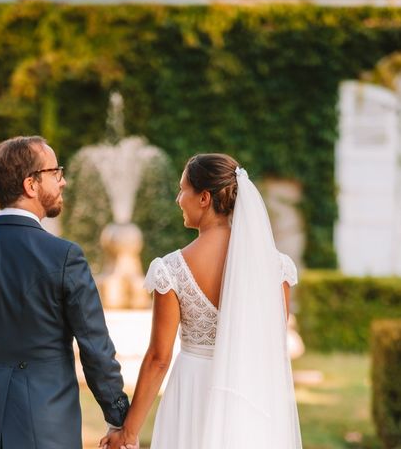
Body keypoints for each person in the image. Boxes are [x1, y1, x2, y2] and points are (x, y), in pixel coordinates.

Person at [0, 136, 129, 449]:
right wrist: (118, 418)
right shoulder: (64, 256)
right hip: (48, 422)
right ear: (31, 184)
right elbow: (95, 347)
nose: (64, 181)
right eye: (55, 172)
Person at [101, 153, 302, 449]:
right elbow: (273, 350)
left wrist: (129, 431)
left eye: (183, 189)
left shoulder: (172, 269)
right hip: (250, 396)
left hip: (193, 390)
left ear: (204, 198)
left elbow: (159, 358)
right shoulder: (277, 269)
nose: (178, 199)